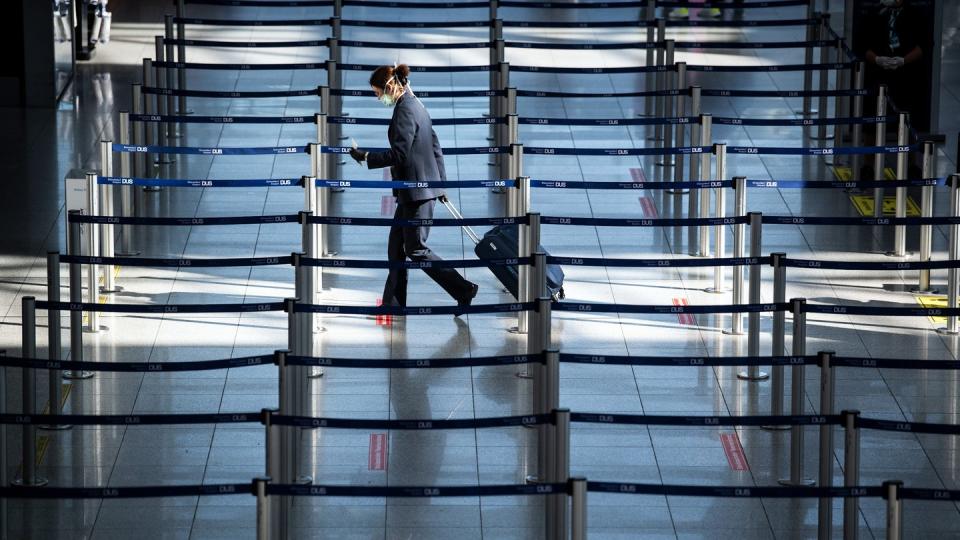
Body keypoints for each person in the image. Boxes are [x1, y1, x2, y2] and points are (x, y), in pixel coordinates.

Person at [349, 64, 479, 316]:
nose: (379, 98)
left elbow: (399, 154)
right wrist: (441, 184)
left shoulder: (405, 110)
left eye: (378, 93)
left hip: (417, 192)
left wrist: (366, 157)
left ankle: (463, 289)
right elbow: (435, 144)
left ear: (390, 86)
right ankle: (393, 306)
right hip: (417, 190)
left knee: (416, 249)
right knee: (396, 248)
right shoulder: (415, 104)